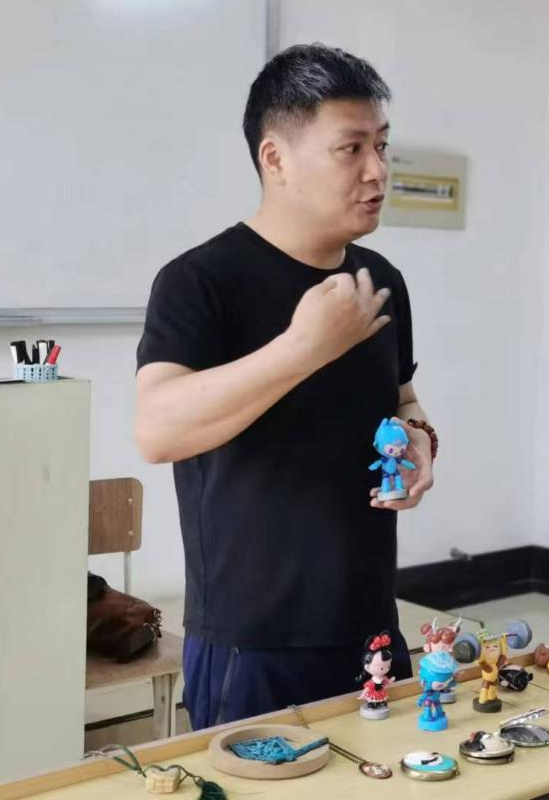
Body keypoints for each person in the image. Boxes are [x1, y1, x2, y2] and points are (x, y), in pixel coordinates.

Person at [134, 44, 436, 728]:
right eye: (350, 148)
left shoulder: (380, 279)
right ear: (275, 158)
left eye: (382, 145)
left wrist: (420, 434)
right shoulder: (199, 281)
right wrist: (302, 348)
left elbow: (401, 396)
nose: (377, 170)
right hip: (255, 634)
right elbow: (157, 431)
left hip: (370, 617)